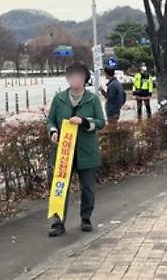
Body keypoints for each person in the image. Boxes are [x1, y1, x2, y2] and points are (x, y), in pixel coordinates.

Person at [47, 62, 106, 236]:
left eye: (78, 76)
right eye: (71, 76)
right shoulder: (59, 99)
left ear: (85, 79)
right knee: (60, 187)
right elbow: (50, 121)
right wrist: (53, 131)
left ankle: (86, 218)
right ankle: (58, 221)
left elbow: (101, 122)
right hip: (64, 151)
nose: (74, 79)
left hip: (86, 152)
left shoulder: (92, 99)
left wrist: (85, 121)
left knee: (87, 188)